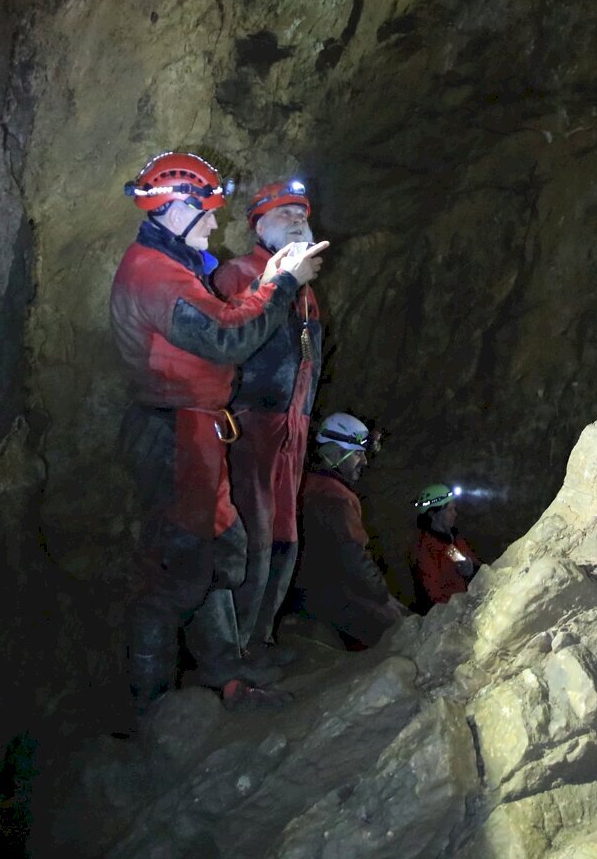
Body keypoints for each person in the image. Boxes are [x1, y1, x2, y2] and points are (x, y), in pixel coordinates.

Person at [108, 151, 325, 711]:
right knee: (178, 573)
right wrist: (279, 284)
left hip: (194, 428)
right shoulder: (156, 276)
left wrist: (274, 284)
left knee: (219, 553)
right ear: (175, 209)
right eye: (205, 211)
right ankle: (154, 708)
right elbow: (225, 338)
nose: (213, 222)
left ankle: (226, 677)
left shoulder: (174, 266)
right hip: (173, 432)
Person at [211, 180, 324, 663]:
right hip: (250, 427)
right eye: (284, 214)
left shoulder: (306, 293)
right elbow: (225, 343)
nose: (297, 220)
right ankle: (232, 653)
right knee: (250, 537)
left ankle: (260, 640)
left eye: (302, 214)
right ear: (259, 226)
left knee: (283, 536)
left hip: (290, 430)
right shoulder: (238, 275)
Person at [293, 412, 408, 648]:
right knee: (401, 629)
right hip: (328, 594)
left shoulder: (307, 483)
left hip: (308, 590)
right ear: (335, 453)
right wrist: (383, 597)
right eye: (357, 453)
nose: (364, 461)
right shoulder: (335, 497)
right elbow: (354, 561)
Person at [409, 483, 480, 611]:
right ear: (433, 514)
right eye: (450, 510)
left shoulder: (449, 540)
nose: (455, 514)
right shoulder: (424, 551)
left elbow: (473, 569)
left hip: (468, 607)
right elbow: (434, 598)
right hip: (452, 615)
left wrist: (471, 570)